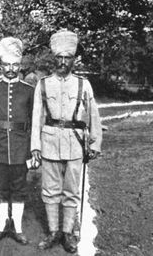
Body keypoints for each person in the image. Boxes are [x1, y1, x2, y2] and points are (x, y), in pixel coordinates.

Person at [30, 29, 102, 253]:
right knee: (50, 191)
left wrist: (95, 143)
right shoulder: (43, 84)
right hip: (50, 143)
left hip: (75, 144)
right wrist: (35, 146)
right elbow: (36, 118)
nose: (62, 62)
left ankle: (68, 233)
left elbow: (93, 116)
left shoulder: (83, 85)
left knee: (71, 191)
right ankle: (54, 232)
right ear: (54, 59)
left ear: (73, 59)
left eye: (67, 58)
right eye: (58, 58)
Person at [0, 37, 35, 245]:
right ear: (1, 66)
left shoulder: (29, 90)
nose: (11, 69)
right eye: (7, 65)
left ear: (19, 66)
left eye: (14, 65)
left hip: (21, 146)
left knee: (19, 186)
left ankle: (18, 228)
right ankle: (2, 225)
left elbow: (33, 123)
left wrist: (31, 151)